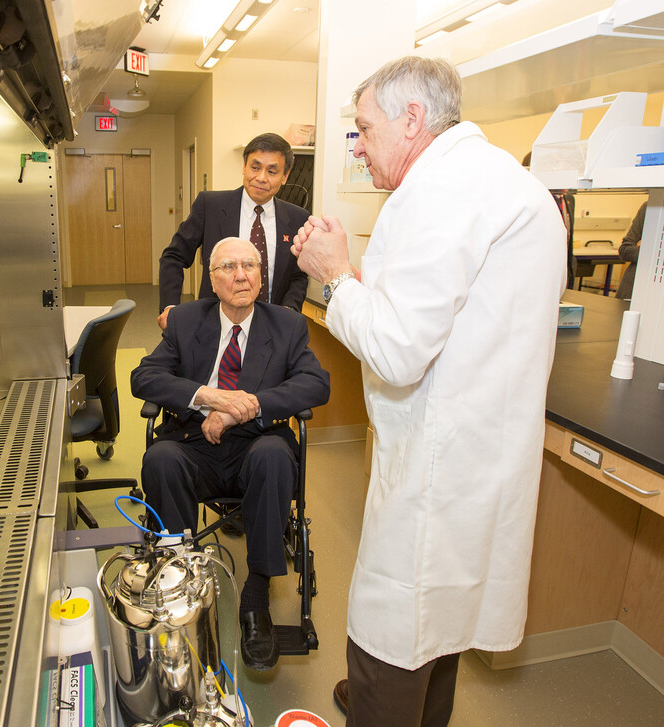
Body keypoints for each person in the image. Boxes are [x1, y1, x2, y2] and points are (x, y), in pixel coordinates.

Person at [292, 57, 566, 726]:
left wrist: (335, 277)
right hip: (480, 459)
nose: (358, 145)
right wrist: (356, 276)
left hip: (437, 469)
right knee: (439, 637)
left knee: (395, 636)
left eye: (363, 128)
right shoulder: (505, 180)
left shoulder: (442, 190)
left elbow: (397, 347)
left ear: (412, 119)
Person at [132, 236, 330, 671]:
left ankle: (255, 598)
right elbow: (143, 377)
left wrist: (249, 407)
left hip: (257, 443)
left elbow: (316, 385)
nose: (241, 275)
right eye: (228, 267)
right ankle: (180, 579)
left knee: (276, 457)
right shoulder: (186, 320)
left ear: (262, 275)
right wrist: (207, 397)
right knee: (160, 459)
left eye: (250, 265)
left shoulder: (287, 325)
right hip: (194, 445)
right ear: (212, 280)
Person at [158, 133, 311, 330]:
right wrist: (170, 306)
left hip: (273, 328)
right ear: (244, 167)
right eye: (255, 168)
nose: (261, 178)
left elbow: (298, 276)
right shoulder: (210, 206)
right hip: (214, 325)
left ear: (285, 176)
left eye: (272, 172)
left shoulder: (298, 218)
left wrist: (289, 311)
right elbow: (174, 256)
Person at [617, 201, 647, 300]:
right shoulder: (650, 206)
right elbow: (625, 250)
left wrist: (647, 247)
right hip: (632, 292)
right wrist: (651, 251)